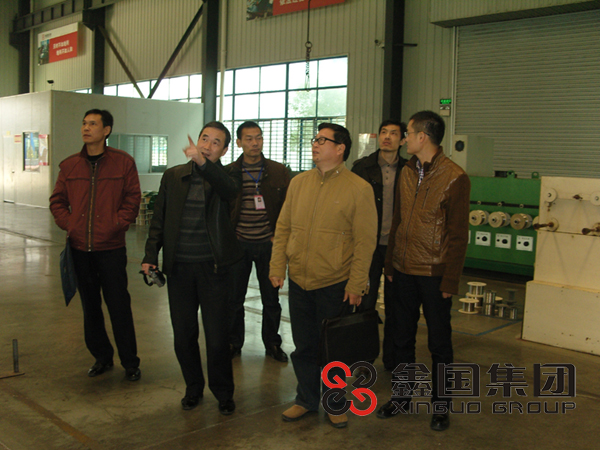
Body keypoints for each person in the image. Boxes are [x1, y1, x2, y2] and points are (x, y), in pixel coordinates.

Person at [269, 123, 377, 429]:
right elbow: (283, 227)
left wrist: (357, 284)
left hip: (335, 283)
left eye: (322, 140)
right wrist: (277, 266)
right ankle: (305, 399)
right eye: (314, 139)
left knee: (333, 349)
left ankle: (335, 403)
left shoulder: (359, 188)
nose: (315, 144)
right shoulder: (299, 183)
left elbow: (365, 241)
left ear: (340, 148)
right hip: (299, 280)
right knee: (303, 346)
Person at [376, 111, 470, 432]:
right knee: (401, 338)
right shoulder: (406, 171)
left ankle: (441, 406)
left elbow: (458, 235)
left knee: (439, 344)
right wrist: (390, 263)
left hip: (433, 274)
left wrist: (450, 279)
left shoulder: (455, 177)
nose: (403, 139)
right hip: (402, 269)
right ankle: (402, 397)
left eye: (408, 133)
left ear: (422, 137)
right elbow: (398, 219)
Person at [141, 121, 242, 415]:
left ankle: (223, 392)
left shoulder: (227, 176)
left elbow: (230, 191)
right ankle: (193, 388)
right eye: (204, 139)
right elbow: (158, 219)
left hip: (213, 269)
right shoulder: (173, 176)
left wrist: (204, 165)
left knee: (217, 338)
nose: (207, 146)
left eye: (215, 142)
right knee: (184, 335)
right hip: (180, 269)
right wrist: (150, 255)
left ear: (224, 150)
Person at [50, 109, 142, 382]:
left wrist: (116, 223)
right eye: (84, 123)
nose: (86, 128)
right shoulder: (70, 165)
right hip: (80, 250)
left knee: (119, 306)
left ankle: (130, 362)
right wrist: (70, 224)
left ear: (106, 130)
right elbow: (57, 201)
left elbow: (133, 199)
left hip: (111, 249)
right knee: (90, 307)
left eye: (93, 124)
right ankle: (102, 357)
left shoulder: (123, 163)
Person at [228, 121, 290, 362]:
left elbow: (287, 207)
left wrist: (279, 236)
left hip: (269, 244)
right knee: (234, 298)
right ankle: (234, 343)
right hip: (239, 244)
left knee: (271, 299)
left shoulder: (278, 171)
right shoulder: (230, 171)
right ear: (239, 142)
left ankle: (272, 343)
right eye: (249, 139)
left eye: (259, 138)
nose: (255, 143)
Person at [352, 119, 407, 371]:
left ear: (402, 140)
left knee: (397, 305)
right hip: (368, 245)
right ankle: (364, 358)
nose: (387, 137)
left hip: (396, 246)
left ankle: (392, 358)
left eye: (394, 133)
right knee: (366, 303)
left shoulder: (410, 170)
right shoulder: (362, 167)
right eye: (384, 132)